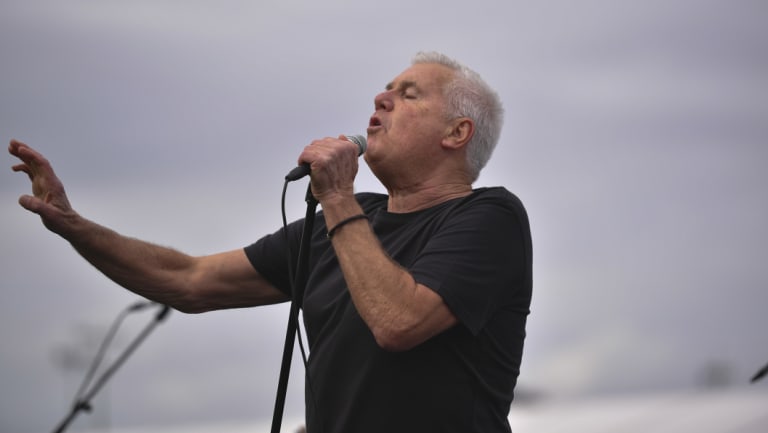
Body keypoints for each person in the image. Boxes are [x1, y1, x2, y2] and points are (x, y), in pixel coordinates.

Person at [9, 51, 532, 433]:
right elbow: (187, 281)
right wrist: (72, 224)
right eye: (385, 89)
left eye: (408, 94)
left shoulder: (489, 218)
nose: (381, 98)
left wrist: (337, 197)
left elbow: (398, 323)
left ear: (457, 134)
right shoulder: (345, 220)